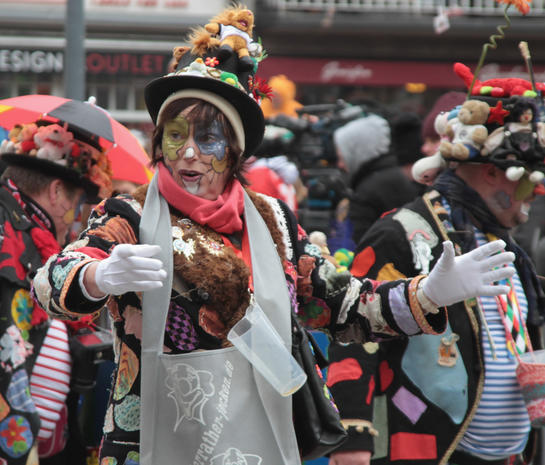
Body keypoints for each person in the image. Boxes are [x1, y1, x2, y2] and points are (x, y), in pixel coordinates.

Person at [32, 9, 515, 465]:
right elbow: (51, 282)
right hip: (156, 444)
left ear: (236, 148)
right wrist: (96, 275)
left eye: (210, 137)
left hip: (259, 440)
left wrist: (428, 293)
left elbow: (344, 306)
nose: (190, 154)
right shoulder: (128, 215)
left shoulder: (274, 222)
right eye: (175, 135)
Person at [328, 86, 545, 465]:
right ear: (491, 172)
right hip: (429, 450)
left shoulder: (505, 240)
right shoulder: (400, 232)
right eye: (528, 179)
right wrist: (353, 440)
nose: (536, 191)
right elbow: (350, 332)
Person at [0, 120, 112, 465]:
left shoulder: (24, 228)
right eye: (78, 206)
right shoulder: (11, 234)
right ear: (56, 192)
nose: (74, 221)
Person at [335, 112, 423, 244]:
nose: (340, 164)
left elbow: (361, 244)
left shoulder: (367, 189)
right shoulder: (393, 175)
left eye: (343, 157)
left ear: (358, 150)